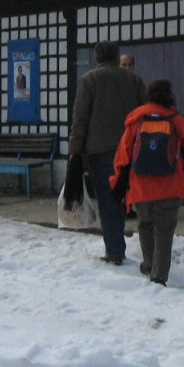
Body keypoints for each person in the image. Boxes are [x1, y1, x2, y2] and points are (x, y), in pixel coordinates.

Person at [110, 79, 184, 285]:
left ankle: (148, 265)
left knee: (145, 226)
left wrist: (117, 183)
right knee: (164, 232)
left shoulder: (137, 120)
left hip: (141, 188)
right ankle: (159, 275)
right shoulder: (175, 119)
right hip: (169, 187)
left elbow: (123, 155)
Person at [68, 41, 147, 265]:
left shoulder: (89, 80)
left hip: (99, 150)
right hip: (131, 147)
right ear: (116, 57)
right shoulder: (134, 80)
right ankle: (148, 252)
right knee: (129, 196)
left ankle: (114, 249)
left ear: (97, 58)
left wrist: (75, 149)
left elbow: (80, 118)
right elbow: (145, 111)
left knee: (107, 199)